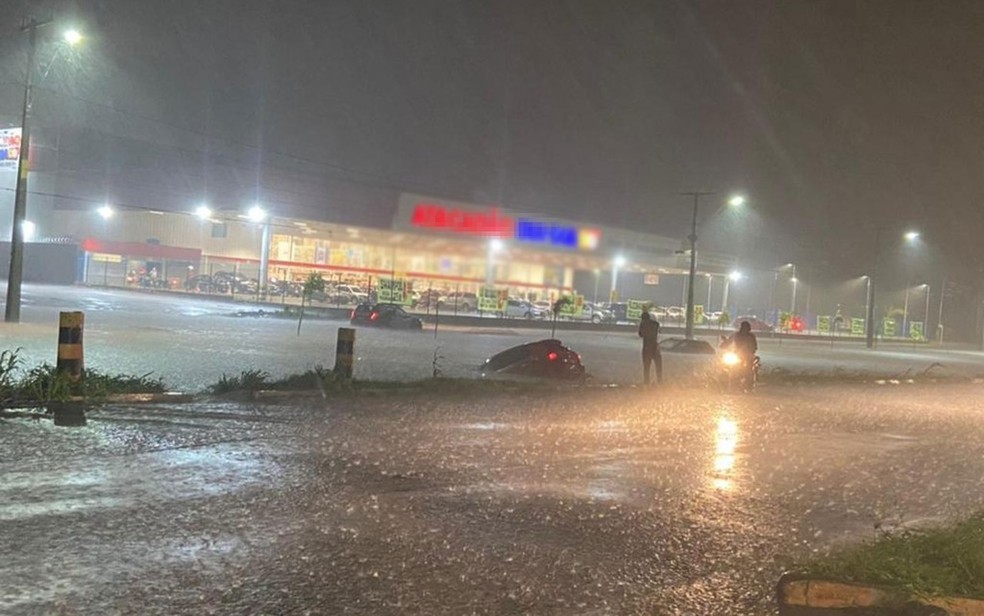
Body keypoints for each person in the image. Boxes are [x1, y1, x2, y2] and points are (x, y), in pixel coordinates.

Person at [638, 311, 662, 386]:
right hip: (655, 347)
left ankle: (646, 382)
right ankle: (660, 381)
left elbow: (640, 334)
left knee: (646, 367)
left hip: (647, 348)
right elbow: (658, 330)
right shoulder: (656, 324)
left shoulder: (643, 324)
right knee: (658, 366)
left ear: (643, 318)